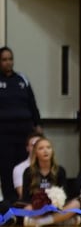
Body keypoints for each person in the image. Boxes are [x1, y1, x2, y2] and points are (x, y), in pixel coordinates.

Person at [0, 46, 43, 204]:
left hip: (24, 130)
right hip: (4, 132)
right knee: (6, 167)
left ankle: (25, 198)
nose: (8, 62)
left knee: (26, 165)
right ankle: (10, 202)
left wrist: (38, 125)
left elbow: (32, 104)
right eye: (4, 60)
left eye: (10, 59)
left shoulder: (22, 79)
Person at [20, 137, 81, 227]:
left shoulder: (60, 170)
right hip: (37, 210)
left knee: (76, 204)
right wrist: (38, 203)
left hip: (55, 209)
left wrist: (56, 201)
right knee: (26, 209)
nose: (45, 151)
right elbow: (25, 199)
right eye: (41, 148)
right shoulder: (28, 172)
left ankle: (43, 222)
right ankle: (60, 221)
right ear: (35, 153)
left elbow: (65, 195)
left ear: (52, 151)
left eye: (48, 147)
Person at [13, 132, 42, 199]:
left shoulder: (55, 168)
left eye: (39, 145)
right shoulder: (19, 168)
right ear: (27, 148)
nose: (36, 148)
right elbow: (22, 194)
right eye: (33, 145)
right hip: (30, 204)